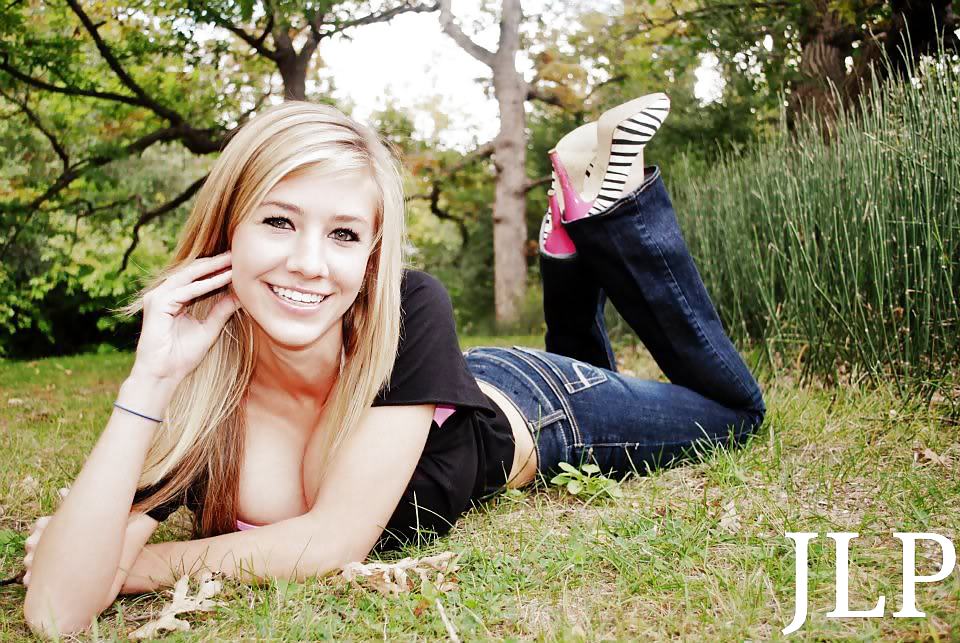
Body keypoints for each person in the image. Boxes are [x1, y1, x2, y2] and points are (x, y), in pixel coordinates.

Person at [22, 96, 764, 637]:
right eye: (278, 220)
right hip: (444, 388)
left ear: (371, 255)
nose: (309, 263)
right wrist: (149, 383)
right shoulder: (196, 391)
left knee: (736, 412)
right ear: (227, 230)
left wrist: (133, 565)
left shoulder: (407, 305)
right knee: (586, 350)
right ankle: (569, 232)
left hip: (542, 407)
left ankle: (613, 215)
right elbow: (56, 612)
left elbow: (334, 538)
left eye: (344, 234)